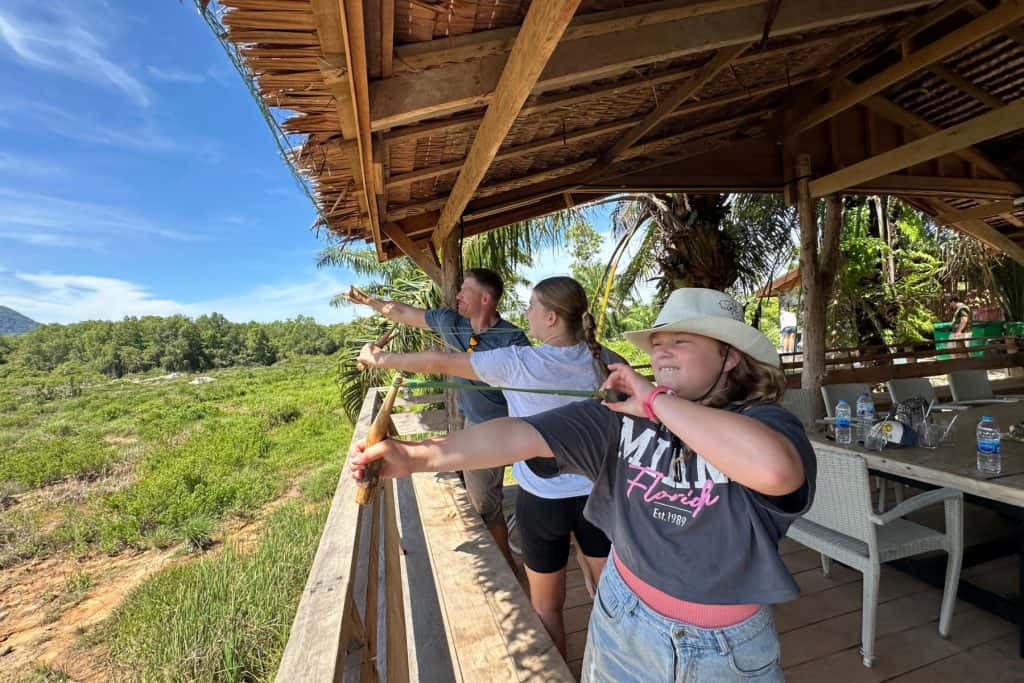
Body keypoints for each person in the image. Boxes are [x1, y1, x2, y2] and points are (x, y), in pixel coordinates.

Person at [352, 288, 815, 682]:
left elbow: (775, 472)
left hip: (724, 647)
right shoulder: (624, 419)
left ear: (729, 356)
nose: (661, 351)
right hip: (623, 612)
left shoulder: (764, 422)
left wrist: (652, 400)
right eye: (658, 342)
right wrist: (415, 456)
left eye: (682, 341)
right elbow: (519, 434)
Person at [358, 276, 620, 657]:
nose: (525, 313)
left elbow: (438, 361)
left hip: (542, 499)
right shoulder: (607, 359)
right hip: (600, 495)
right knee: (609, 600)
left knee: (547, 607)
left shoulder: (518, 362)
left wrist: (378, 359)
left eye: (531, 306)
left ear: (550, 318)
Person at [345, 268, 529, 568]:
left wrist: (379, 358)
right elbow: (405, 312)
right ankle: (510, 568)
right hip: (479, 430)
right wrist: (369, 301)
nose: (457, 295)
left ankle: (528, 534)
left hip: (520, 426)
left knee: (539, 491)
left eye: (464, 290)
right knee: (484, 505)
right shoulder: (451, 322)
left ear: (485, 298)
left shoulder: (512, 339)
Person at [949, 292, 972, 357]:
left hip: (963, 333)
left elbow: (964, 319)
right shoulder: (958, 309)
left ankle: (966, 366)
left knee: (962, 352)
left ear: (953, 302)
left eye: (950, 303)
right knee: (956, 352)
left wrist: (959, 331)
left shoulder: (962, 308)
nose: (950, 305)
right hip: (959, 333)